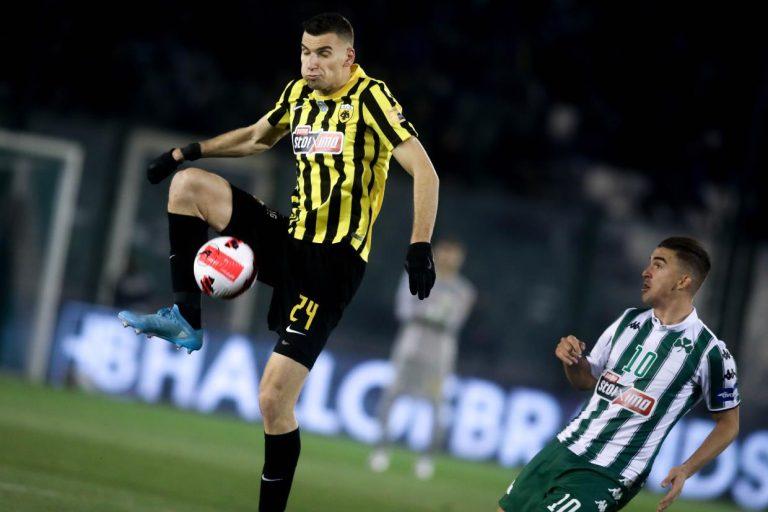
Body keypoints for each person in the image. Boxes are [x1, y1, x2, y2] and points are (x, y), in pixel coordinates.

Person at [118, 13, 439, 512]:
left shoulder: (371, 98)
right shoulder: (298, 95)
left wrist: (420, 244)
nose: (311, 63)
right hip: (289, 238)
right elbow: (256, 137)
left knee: (272, 400)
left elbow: (425, 170)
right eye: (306, 52)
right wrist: (187, 152)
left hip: (332, 264)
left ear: (348, 57)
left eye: (324, 53)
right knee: (188, 187)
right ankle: (186, 318)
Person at [497, 237, 740, 512]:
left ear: (683, 281)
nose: (646, 272)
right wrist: (572, 360)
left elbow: (729, 424)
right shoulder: (628, 321)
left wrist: (686, 469)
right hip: (563, 448)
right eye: (649, 263)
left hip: (609, 473)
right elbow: (586, 380)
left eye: (658, 265)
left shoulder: (710, 352)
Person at [369, 238, 475, 479]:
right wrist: (432, 313)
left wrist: (426, 312)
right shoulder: (414, 275)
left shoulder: (464, 290)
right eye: (445, 252)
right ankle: (381, 449)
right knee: (392, 395)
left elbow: (455, 321)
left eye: (454, 254)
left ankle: (427, 458)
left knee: (437, 404)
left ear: (460, 259)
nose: (449, 258)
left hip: (440, 353)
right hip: (411, 345)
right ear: (436, 253)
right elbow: (403, 310)